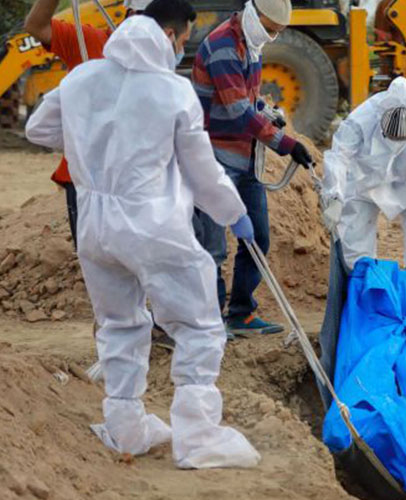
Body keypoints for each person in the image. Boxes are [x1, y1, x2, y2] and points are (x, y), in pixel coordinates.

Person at [25, 0, 260, 468]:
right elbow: (202, 173)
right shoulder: (172, 92)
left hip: (95, 224)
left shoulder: (82, 77)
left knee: (119, 324)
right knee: (197, 324)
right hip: (152, 224)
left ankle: (126, 429)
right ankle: (196, 439)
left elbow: (38, 128)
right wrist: (234, 213)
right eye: (184, 40)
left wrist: (92, 143)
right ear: (171, 36)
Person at [192, 0, 314, 337]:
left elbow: (250, 100)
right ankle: (210, 323)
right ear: (257, 16)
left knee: (257, 237)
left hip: (244, 157)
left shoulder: (252, 45)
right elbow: (237, 111)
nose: (273, 37)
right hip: (213, 157)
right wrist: (286, 144)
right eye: (272, 29)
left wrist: (267, 111)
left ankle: (241, 314)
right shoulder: (222, 46)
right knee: (213, 247)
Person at [23, 0, 150, 246]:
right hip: (87, 185)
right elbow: (36, 26)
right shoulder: (90, 42)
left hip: (134, 183)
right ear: (132, 15)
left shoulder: (161, 63)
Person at [321, 77, 406, 275]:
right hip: (365, 180)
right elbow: (339, 156)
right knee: (353, 236)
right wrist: (334, 197)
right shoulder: (361, 120)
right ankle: (359, 287)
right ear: (381, 120)